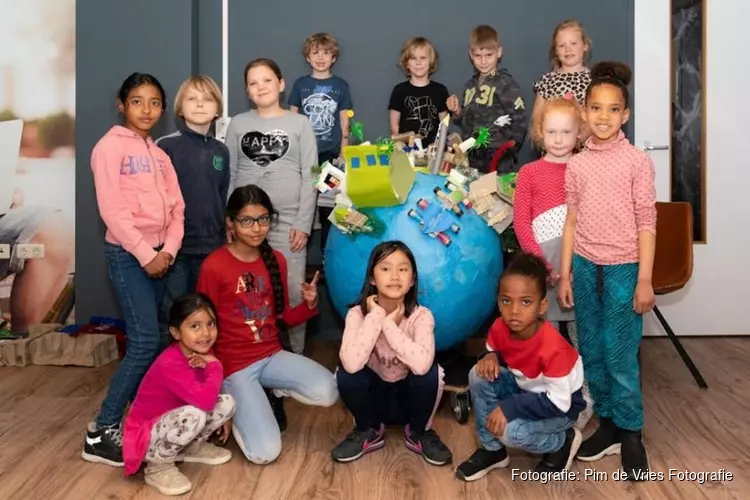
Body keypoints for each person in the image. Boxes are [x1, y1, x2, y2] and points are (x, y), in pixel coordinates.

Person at [558, 61, 656, 480]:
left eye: (612, 109)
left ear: (625, 115)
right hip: (583, 266)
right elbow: (571, 222)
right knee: (592, 353)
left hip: (623, 269)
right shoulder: (577, 165)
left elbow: (646, 221)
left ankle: (631, 431)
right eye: (595, 108)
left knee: (619, 354)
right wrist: (564, 274)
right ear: (585, 111)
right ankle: (610, 425)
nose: (603, 116)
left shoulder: (636, 162)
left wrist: (645, 278)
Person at [83, 73, 185, 467]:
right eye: (138, 101)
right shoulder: (109, 148)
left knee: (157, 337)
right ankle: (100, 431)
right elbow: (112, 210)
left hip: (161, 256)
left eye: (155, 102)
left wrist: (169, 251)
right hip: (129, 257)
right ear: (121, 104)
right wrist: (146, 254)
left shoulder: (160, 155)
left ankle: (142, 418)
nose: (147, 109)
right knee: (143, 342)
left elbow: (178, 208)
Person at [196, 184, 338, 465]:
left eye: (263, 219)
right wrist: (215, 391)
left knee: (329, 390)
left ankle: (270, 390)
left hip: (271, 355)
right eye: (247, 221)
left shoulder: (277, 260)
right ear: (231, 223)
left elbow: (281, 318)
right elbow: (200, 331)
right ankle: (239, 401)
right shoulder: (214, 266)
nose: (257, 228)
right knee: (265, 453)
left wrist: (309, 304)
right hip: (234, 367)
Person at [455, 252, 586, 482]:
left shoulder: (553, 348)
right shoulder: (500, 326)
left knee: (511, 432)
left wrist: (510, 407)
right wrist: (489, 356)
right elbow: (491, 346)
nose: (514, 311)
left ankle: (563, 441)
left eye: (526, 302)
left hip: (560, 408)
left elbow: (559, 402)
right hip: (525, 390)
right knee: (478, 374)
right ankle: (492, 450)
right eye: (506, 301)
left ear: (542, 306)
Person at [225, 58, 318, 355]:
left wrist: (303, 223)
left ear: (280, 84)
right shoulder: (238, 124)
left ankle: (295, 357)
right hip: (244, 222)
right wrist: (230, 221)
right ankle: (253, 353)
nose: (260, 87)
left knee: (292, 293)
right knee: (250, 292)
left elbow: (312, 175)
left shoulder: (300, 123)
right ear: (247, 90)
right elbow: (229, 173)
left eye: (267, 80)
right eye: (253, 82)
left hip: (289, 224)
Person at [512, 96, 594, 429]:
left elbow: (589, 220)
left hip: (578, 262)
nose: (558, 139)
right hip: (541, 263)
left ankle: (584, 398)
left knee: (579, 335)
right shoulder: (530, 172)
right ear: (539, 133)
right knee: (542, 335)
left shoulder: (584, 168)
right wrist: (543, 266)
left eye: (566, 131)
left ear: (579, 134)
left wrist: (572, 269)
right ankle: (545, 395)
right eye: (551, 131)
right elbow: (521, 222)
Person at [333, 241, 452, 466]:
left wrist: (389, 326)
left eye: (403, 269)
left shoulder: (422, 316)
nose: (395, 276)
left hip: (409, 402)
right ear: (372, 278)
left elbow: (422, 366)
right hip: (374, 401)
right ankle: (368, 431)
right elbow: (351, 364)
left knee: (432, 373)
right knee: (345, 373)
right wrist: (376, 316)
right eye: (385, 268)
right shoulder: (357, 315)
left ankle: (419, 433)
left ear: (413, 280)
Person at [123, 293, 235, 496]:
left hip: (175, 421)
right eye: (195, 326)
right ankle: (158, 466)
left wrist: (210, 366)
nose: (206, 333)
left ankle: (191, 447)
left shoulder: (199, 353)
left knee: (227, 402)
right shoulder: (170, 364)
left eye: (210, 324)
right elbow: (205, 400)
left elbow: (211, 395)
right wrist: (215, 366)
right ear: (175, 332)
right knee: (196, 414)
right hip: (145, 436)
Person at [155, 75, 230, 344]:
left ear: (217, 109)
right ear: (179, 107)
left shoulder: (221, 150)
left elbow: (221, 195)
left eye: (207, 99)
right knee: (172, 309)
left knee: (207, 310)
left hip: (212, 245)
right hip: (176, 249)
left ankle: (204, 368)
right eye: (192, 98)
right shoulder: (166, 146)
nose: (200, 105)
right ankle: (168, 368)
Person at [288, 33, 353, 256]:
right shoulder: (301, 84)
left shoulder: (340, 86)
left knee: (328, 205)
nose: (321, 57)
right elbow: (292, 117)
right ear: (307, 57)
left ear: (333, 57)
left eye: (326, 53)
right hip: (305, 156)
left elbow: (345, 119)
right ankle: (296, 255)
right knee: (302, 205)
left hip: (329, 155)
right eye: (315, 52)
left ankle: (327, 255)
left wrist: (344, 150)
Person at [446, 25, 527, 174]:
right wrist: (457, 110)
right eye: (478, 55)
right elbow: (465, 120)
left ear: (499, 53)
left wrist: (510, 150)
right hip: (471, 154)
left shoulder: (505, 84)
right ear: (471, 54)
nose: (483, 61)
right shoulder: (470, 85)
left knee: (497, 195)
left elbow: (519, 120)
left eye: (489, 55)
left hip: (497, 154)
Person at [388, 37, 449, 147]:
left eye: (423, 58)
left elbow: (444, 124)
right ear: (406, 63)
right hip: (406, 151)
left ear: (430, 61)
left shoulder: (440, 90)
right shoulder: (399, 90)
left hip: (433, 152)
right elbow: (394, 125)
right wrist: (401, 146)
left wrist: (439, 147)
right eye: (413, 58)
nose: (418, 62)